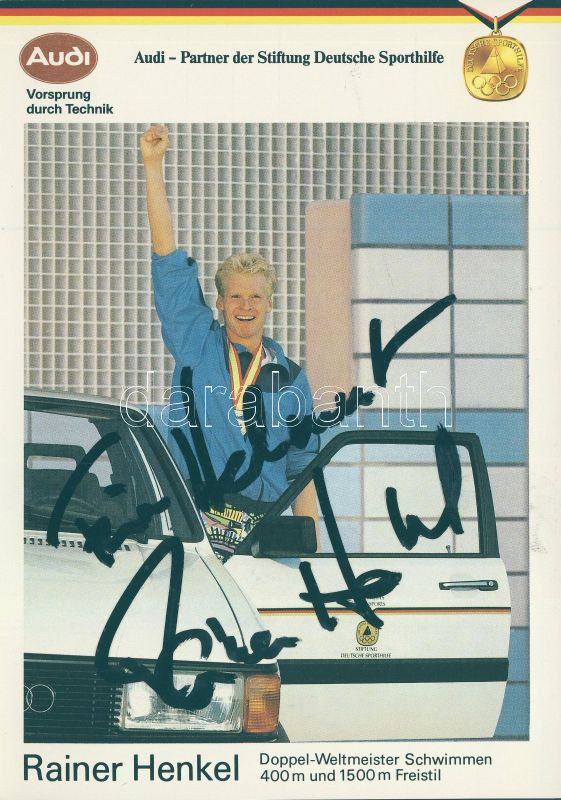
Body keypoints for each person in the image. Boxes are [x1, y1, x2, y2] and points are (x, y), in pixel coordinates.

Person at [140, 125, 320, 561]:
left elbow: (303, 469)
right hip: (196, 524)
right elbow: (168, 263)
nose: (245, 306)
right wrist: (153, 165)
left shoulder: (292, 378)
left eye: (255, 296)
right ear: (219, 303)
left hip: (264, 535)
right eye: (235, 296)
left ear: (270, 304)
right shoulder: (196, 345)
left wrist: (309, 551)